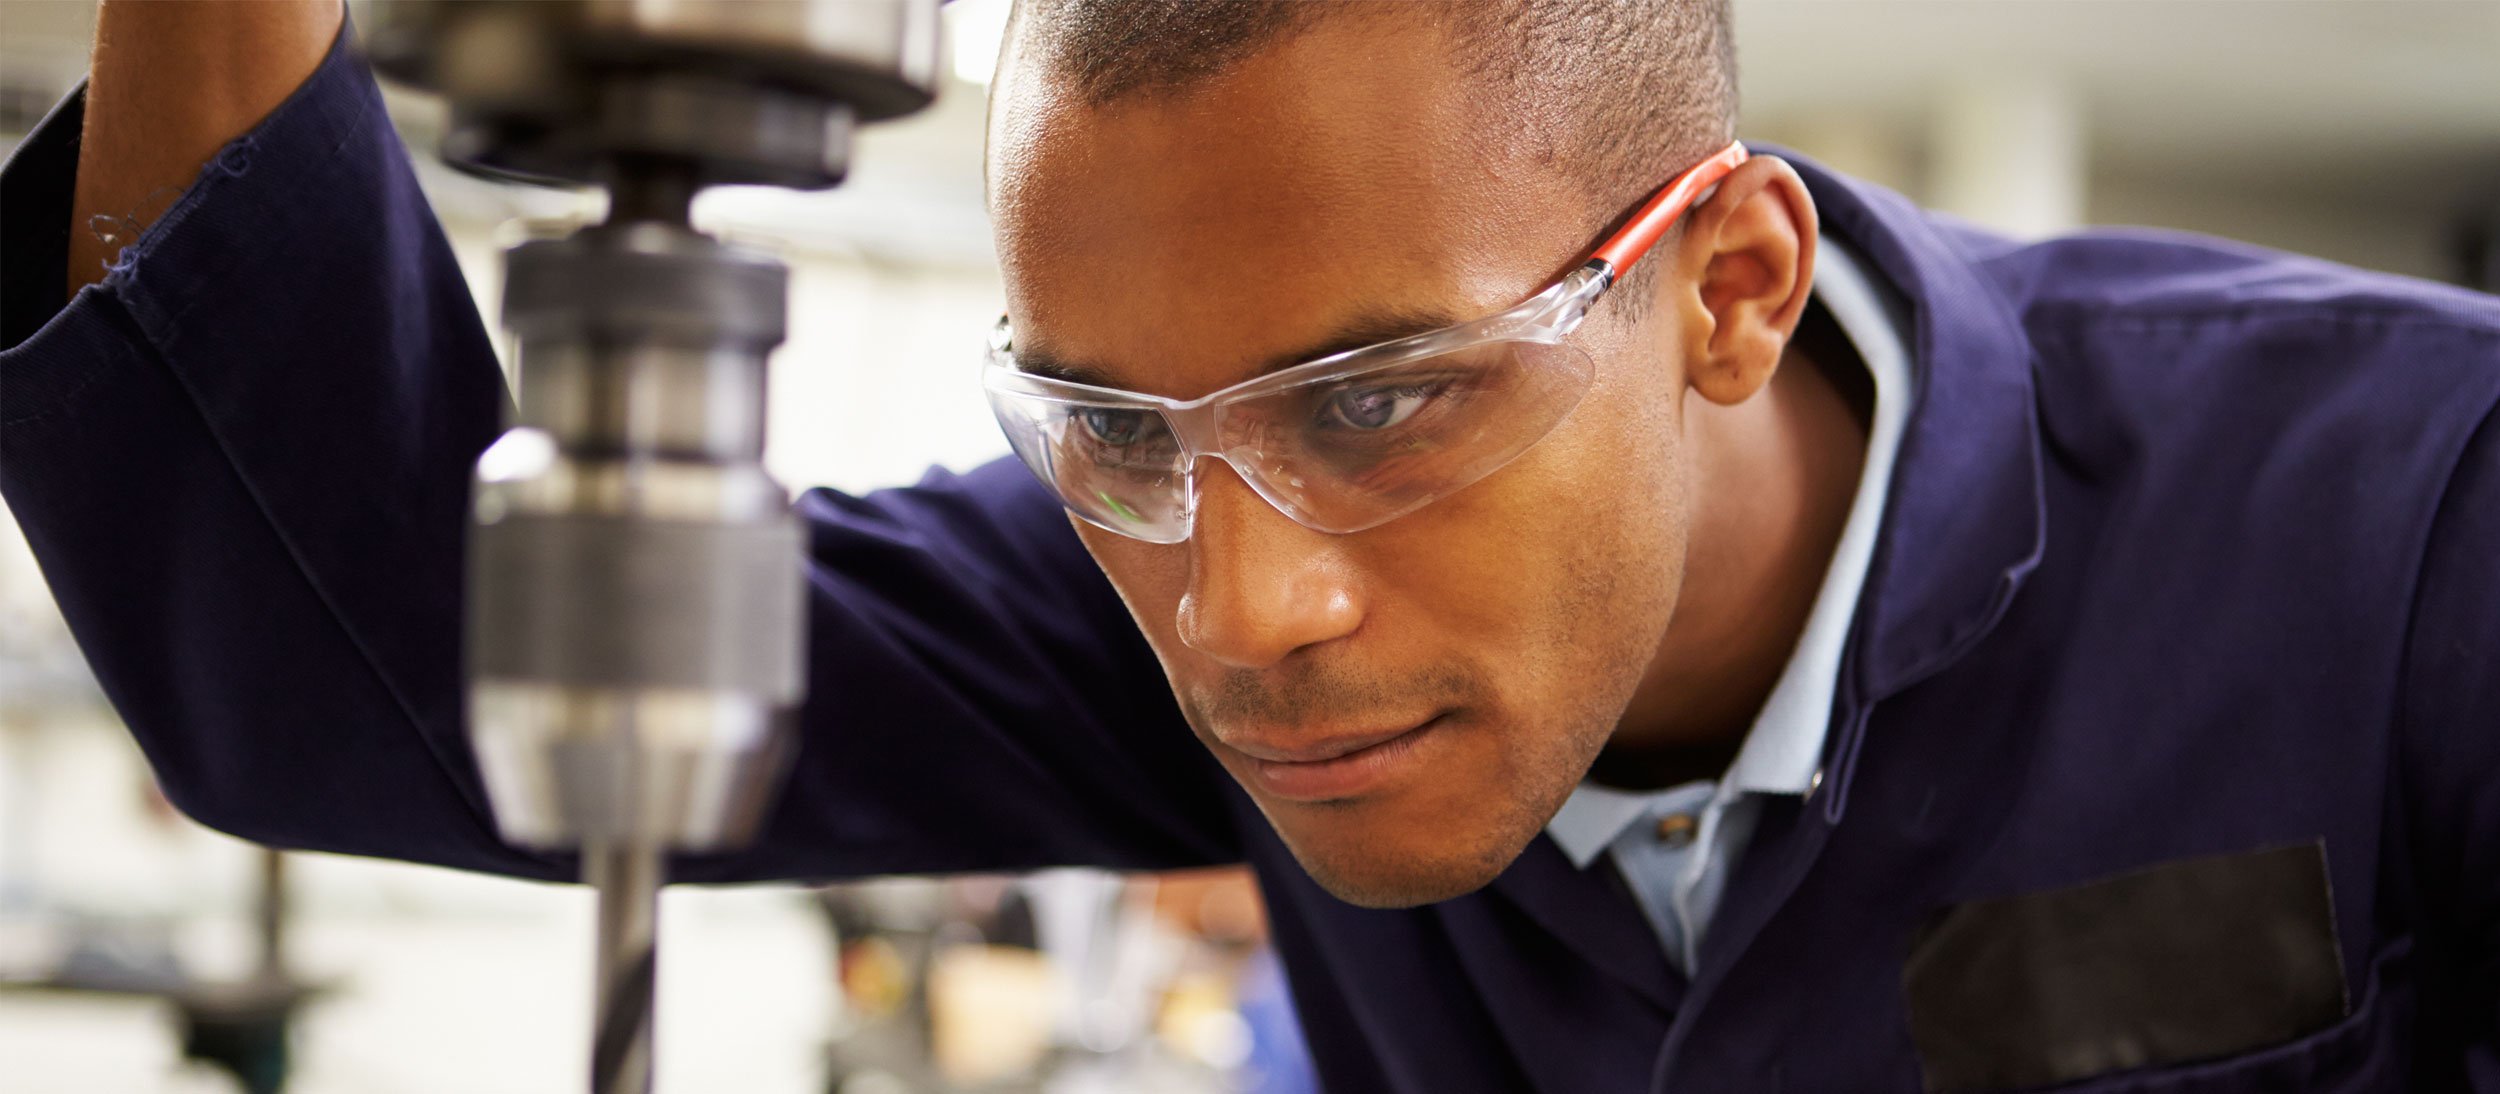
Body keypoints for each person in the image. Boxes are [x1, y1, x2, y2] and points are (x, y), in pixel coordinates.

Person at [3, 1, 2494, 1089]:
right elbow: (379, 677)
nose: (1240, 609)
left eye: (1387, 398)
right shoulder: (1173, 580)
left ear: (1721, 293)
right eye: (1104, 427)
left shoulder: (2403, 523)